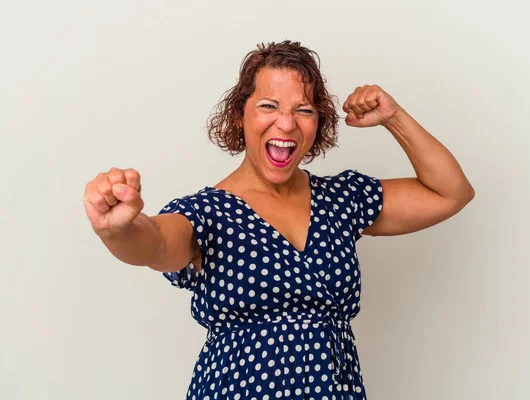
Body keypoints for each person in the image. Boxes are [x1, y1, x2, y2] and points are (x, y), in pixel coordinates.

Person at [83, 40, 475, 399]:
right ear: (240, 115)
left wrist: (394, 117)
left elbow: (450, 192)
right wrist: (118, 229)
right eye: (268, 106)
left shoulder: (340, 199)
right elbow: (156, 244)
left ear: (317, 122)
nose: (286, 124)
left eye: (303, 110)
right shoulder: (206, 212)